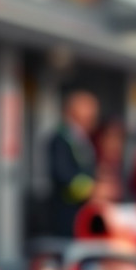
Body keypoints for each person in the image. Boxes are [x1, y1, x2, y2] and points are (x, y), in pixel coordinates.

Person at [48, 90, 99, 237]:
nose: (93, 115)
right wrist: (93, 189)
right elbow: (62, 174)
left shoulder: (81, 138)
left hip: (82, 212)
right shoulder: (61, 139)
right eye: (88, 110)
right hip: (67, 213)